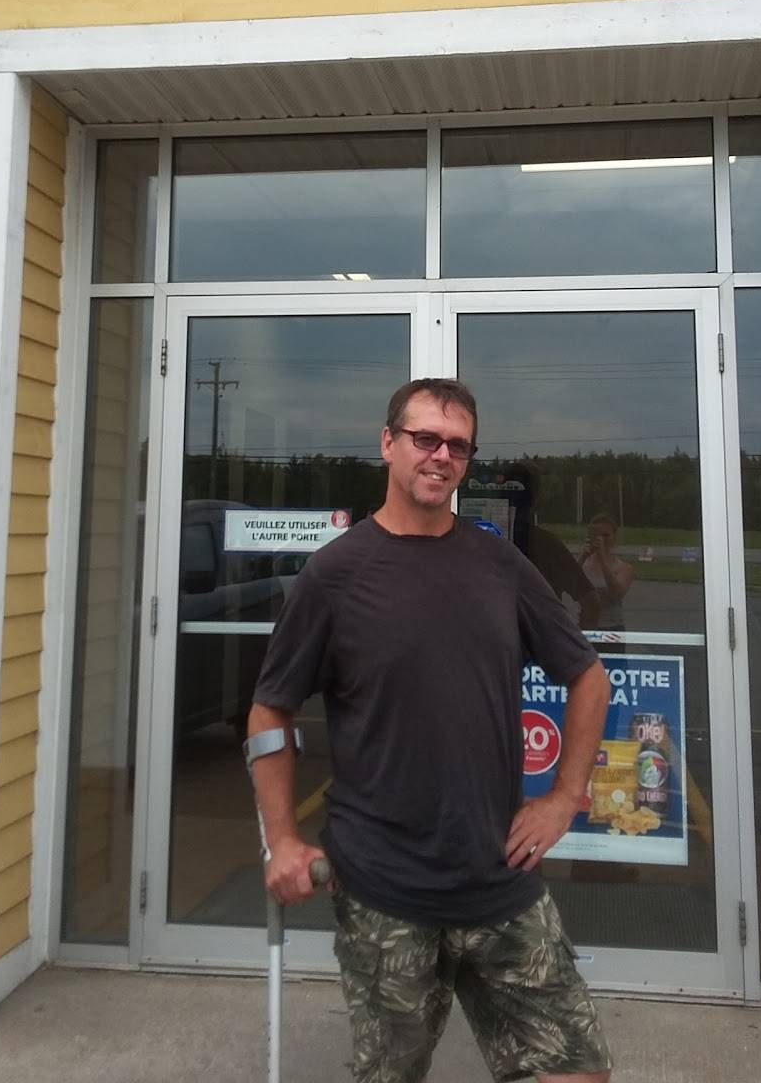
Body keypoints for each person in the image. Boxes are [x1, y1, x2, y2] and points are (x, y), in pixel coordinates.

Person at [247, 377, 612, 1083]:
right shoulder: (334, 574)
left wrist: (566, 796)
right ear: (388, 444)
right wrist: (283, 838)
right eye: (425, 438)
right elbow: (271, 709)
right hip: (384, 893)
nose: (441, 455)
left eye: (458, 446)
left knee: (577, 1069)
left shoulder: (500, 565)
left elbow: (588, 676)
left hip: (499, 880)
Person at [576, 513, 634, 632]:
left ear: (614, 537)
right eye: (597, 536)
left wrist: (602, 557)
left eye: (606, 535)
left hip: (611, 627)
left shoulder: (624, 568)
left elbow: (616, 593)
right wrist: (583, 556)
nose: (601, 540)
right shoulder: (583, 564)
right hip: (585, 626)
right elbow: (567, 583)